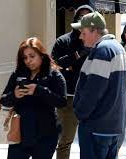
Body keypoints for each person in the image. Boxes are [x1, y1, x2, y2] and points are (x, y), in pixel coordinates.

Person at [71, 11, 126, 159]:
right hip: (112, 125)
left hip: (96, 126)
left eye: (83, 32)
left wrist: (80, 113)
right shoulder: (117, 47)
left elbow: (93, 91)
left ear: (94, 31)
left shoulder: (103, 50)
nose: (80, 36)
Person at [0, 37, 67, 159]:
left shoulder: (53, 74)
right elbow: (3, 100)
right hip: (19, 133)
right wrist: (14, 95)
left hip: (45, 135)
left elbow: (62, 101)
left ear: (41, 55)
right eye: (25, 57)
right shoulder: (18, 74)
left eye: (32, 56)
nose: (28, 61)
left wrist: (39, 90)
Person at [51, 5, 94, 159]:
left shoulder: (97, 43)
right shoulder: (63, 41)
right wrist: (77, 54)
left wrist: (70, 63)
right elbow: (55, 65)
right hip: (68, 98)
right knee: (64, 141)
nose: (84, 20)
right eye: (81, 17)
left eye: (88, 17)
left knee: (92, 141)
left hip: (91, 98)